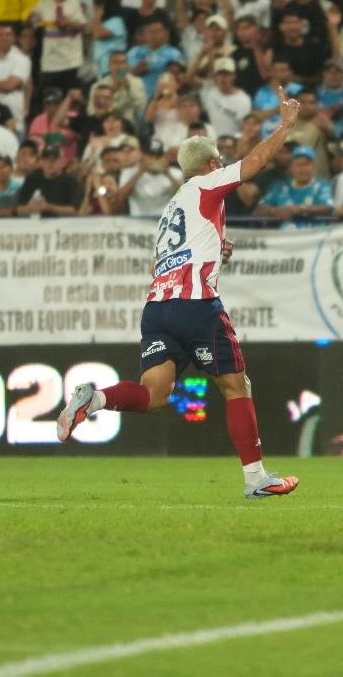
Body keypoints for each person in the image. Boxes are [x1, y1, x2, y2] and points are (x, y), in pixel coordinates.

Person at [56, 93, 303, 500]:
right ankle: (256, 477)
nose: (222, 166)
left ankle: (94, 399)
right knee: (237, 387)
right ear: (209, 165)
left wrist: (217, 248)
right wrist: (286, 125)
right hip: (195, 306)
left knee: (154, 395)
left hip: (157, 310)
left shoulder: (171, 208)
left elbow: (164, 264)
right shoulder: (208, 183)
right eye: (219, 161)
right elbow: (256, 163)